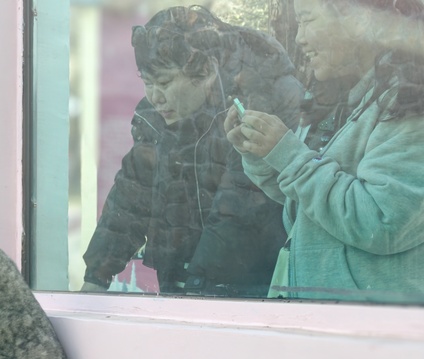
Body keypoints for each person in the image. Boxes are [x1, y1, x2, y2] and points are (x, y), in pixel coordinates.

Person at [81, 6, 303, 298]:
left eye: (164, 82)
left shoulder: (256, 103)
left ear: (207, 72)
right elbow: (131, 195)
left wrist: (195, 291)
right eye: (147, 82)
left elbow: (239, 207)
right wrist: (96, 275)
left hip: (252, 288)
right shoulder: (157, 118)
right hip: (184, 284)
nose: (155, 97)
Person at [225, 0, 424, 302]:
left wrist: (288, 155)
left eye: (307, 20)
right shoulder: (350, 98)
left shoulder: (410, 103)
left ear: (357, 21)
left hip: (367, 325)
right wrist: (264, 154)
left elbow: (383, 221)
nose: (298, 39)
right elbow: (311, 203)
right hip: (330, 315)